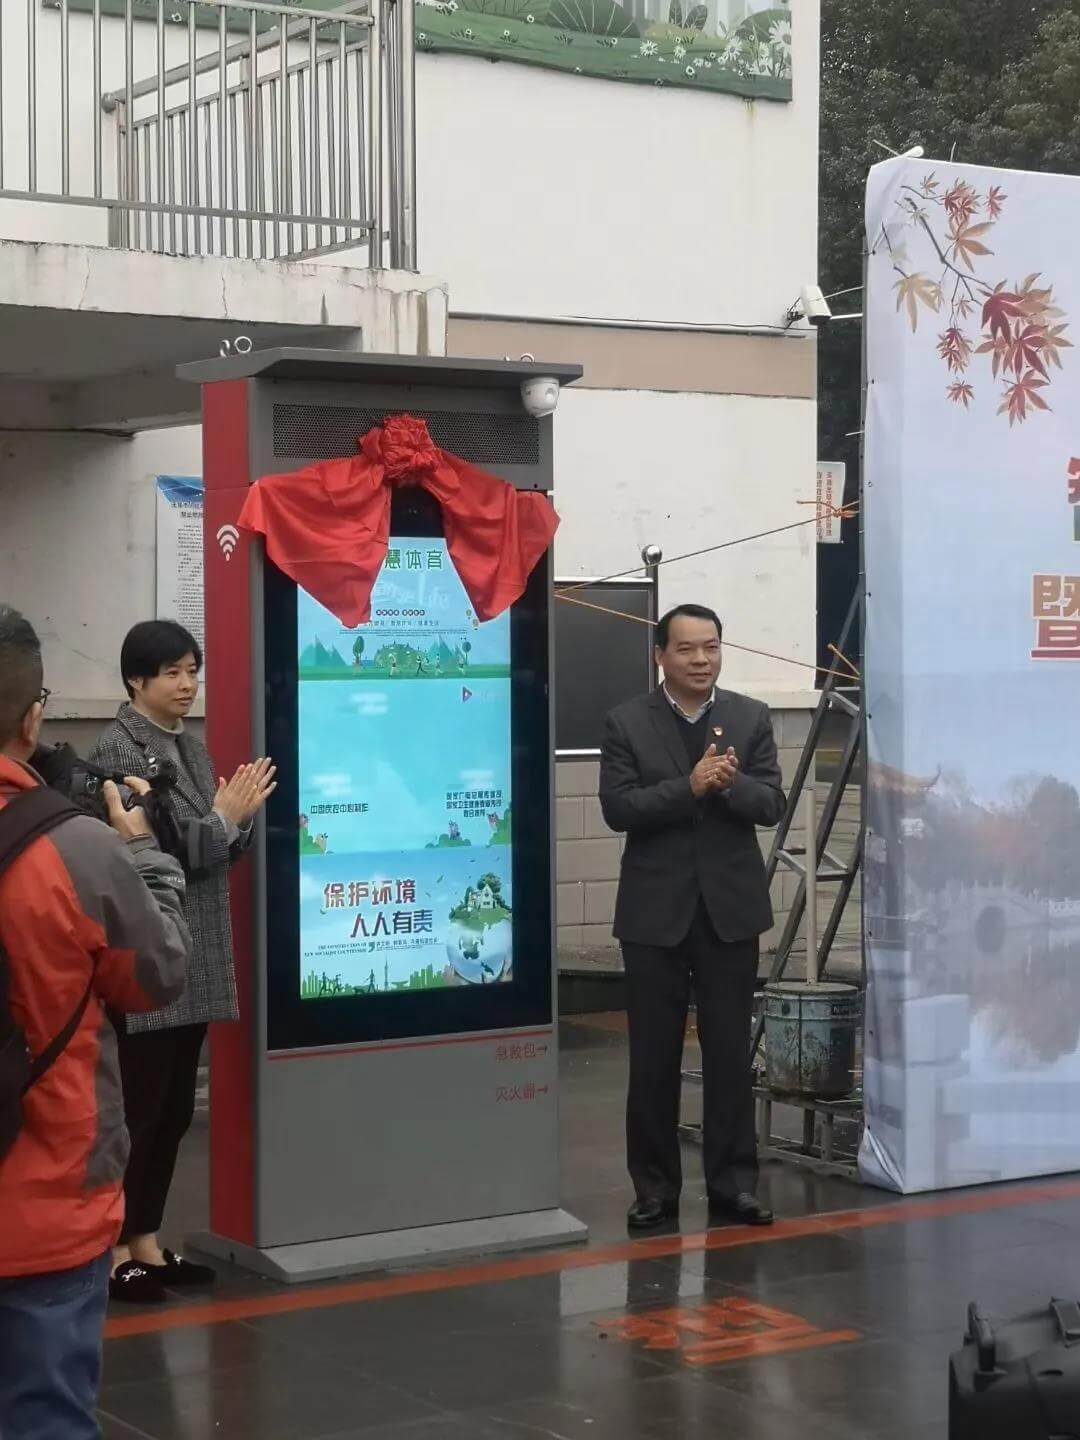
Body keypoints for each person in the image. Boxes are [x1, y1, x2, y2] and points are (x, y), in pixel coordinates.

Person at [0, 605, 190, 1438]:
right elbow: (158, 974)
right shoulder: (76, 850)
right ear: (32, 716)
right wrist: (141, 852)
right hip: (44, 1203)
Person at [90, 620, 275, 1304]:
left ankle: (145, 1240)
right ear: (136, 680)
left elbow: (216, 847)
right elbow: (155, 850)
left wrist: (238, 821)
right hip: (148, 948)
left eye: (192, 670)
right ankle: (112, 1251)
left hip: (194, 946)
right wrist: (224, 821)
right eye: (172, 672)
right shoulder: (116, 750)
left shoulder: (190, 748)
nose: (187, 684)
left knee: (171, 1112)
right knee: (136, 1111)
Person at [599, 604, 786, 1230]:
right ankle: (654, 1189)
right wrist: (691, 786)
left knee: (730, 1055)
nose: (702, 660)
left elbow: (772, 804)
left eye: (711, 647)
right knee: (652, 1059)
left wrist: (729, 784)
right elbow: (619, 809)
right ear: (661, 656)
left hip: (729, 913)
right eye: (687, 649)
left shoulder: (750, 717)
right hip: (654, 916)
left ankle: (734, 1186)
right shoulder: (627, 721)